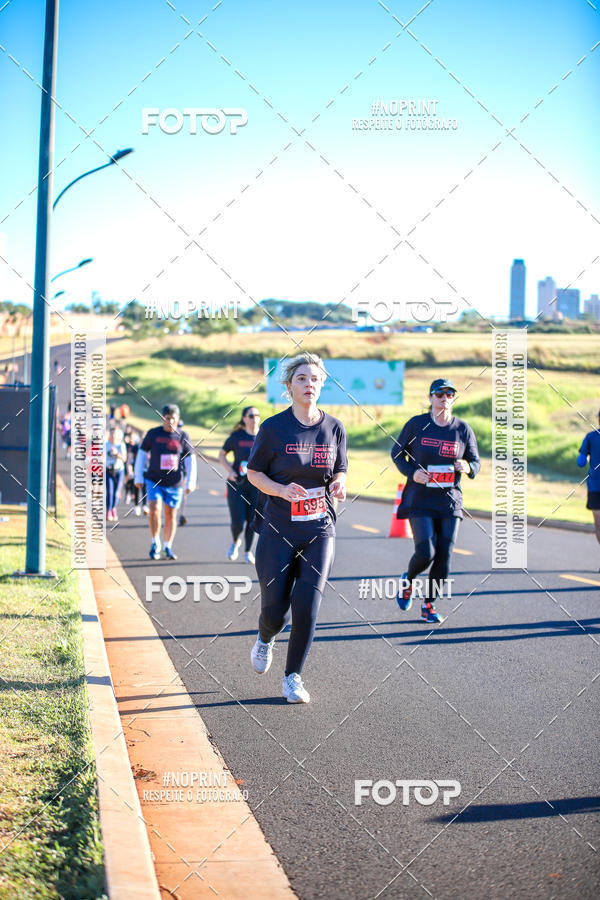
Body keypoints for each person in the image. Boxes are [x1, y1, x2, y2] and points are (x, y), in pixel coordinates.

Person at [246, 353, 347, 704]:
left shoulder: (334, 428)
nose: (309, 384)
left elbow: (340, 468)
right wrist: (281, 489)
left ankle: (293, 678)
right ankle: (265, 636)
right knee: (276, 610)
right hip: (278, 527)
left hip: (320, 527)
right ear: (289, 387)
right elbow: (253, 472)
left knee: (307, 605)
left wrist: (339, 483)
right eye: (302, 378)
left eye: (315, 379)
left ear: (322, 385)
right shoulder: (273, 428)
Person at [391, 378, 480, 624]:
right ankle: (407, 581)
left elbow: (476, 462)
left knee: (444, 556)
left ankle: (429, 605)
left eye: (449, 394)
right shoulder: (417, 425)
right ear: (430, 398)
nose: (444, 398)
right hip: (420, 498)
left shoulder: (462, 429)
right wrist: (412, 473)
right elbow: (397, 453)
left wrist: (468, 466)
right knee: (425, 552)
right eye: (439, 394)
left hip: (449, 501)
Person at [134, 404, 197, 560]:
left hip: (175, 483)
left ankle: (167, 546)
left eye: (173, 419)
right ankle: (155, 542)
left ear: (178, 419)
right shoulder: (154, 434)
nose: (170, 422)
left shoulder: (183, 436)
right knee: (154, 508)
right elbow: (142, 454)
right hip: (154, 480)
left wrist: (190, 482)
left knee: (170, 515)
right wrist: (138, 477)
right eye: (167, 418)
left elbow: (191, 460)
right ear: (163, 418)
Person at [219, 406, 261, 563]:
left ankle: (248, 551)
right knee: (238, 521)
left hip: (257, 486)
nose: (254, 418)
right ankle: (235, 541)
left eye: (257, 415)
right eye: (251, 415)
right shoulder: (237, 437)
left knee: (252, 521)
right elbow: (222, 455)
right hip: (237, 484)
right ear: (244, 418)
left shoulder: (264, 437)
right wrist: (230, 470)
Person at [577, 410, 600, 559]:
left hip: (595, 487)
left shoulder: (591, 437)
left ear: (598, 419)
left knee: (598, 524)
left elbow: (580, 462)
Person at [105, 425, 127, 521]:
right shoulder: (105, 444)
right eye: (112, 433)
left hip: (119, 471)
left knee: (116, 492)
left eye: (115, 434)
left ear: (118, 435)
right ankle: (108, 510)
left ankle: (114, 508)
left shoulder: (121, 445)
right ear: (109, 434)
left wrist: (116, 454)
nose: (113, 436)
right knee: (110, 492)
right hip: (109, 470)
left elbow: (124, 458)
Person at [124, 428, 142, 515]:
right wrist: (129, 469)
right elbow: (129, 459)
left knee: (143, 487)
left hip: (142, 469)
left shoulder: (141, 447)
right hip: (130, 467)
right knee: (130, 483)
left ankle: (144, 504)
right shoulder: (129, 446)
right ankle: (129, 494)